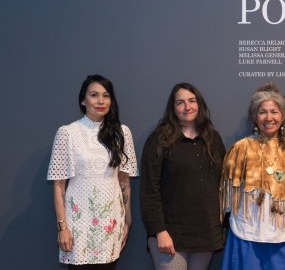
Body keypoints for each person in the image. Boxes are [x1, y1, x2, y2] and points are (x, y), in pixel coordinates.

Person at [47, 75, 138, 270]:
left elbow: (125, 182)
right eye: (94, 95)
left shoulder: (122, 133)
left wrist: (127, 221)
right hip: (77, 226)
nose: (100, 101)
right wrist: (62, 228)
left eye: (106, 95)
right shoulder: (68, 133)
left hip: (111, 224)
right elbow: (59, 186)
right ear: (83, 100)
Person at [140, 83, 226, 270]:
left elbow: (223, 186)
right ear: (173, 108)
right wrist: (159, 231)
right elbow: (149, 191)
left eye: (191, 101)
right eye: (180, 102)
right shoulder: (159, 140)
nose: (187, 107)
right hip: (170, 234)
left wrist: (221, 226)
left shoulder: (213, 139)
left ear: (199, 104)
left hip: (205, 234)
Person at [220, 83, 285, 270]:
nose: (269, 118)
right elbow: (228, 197)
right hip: (247, 231)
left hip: (281, 232)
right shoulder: (241, 148)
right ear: (254, 117)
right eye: (262, 112)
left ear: (283, 116)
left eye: (274, 112)